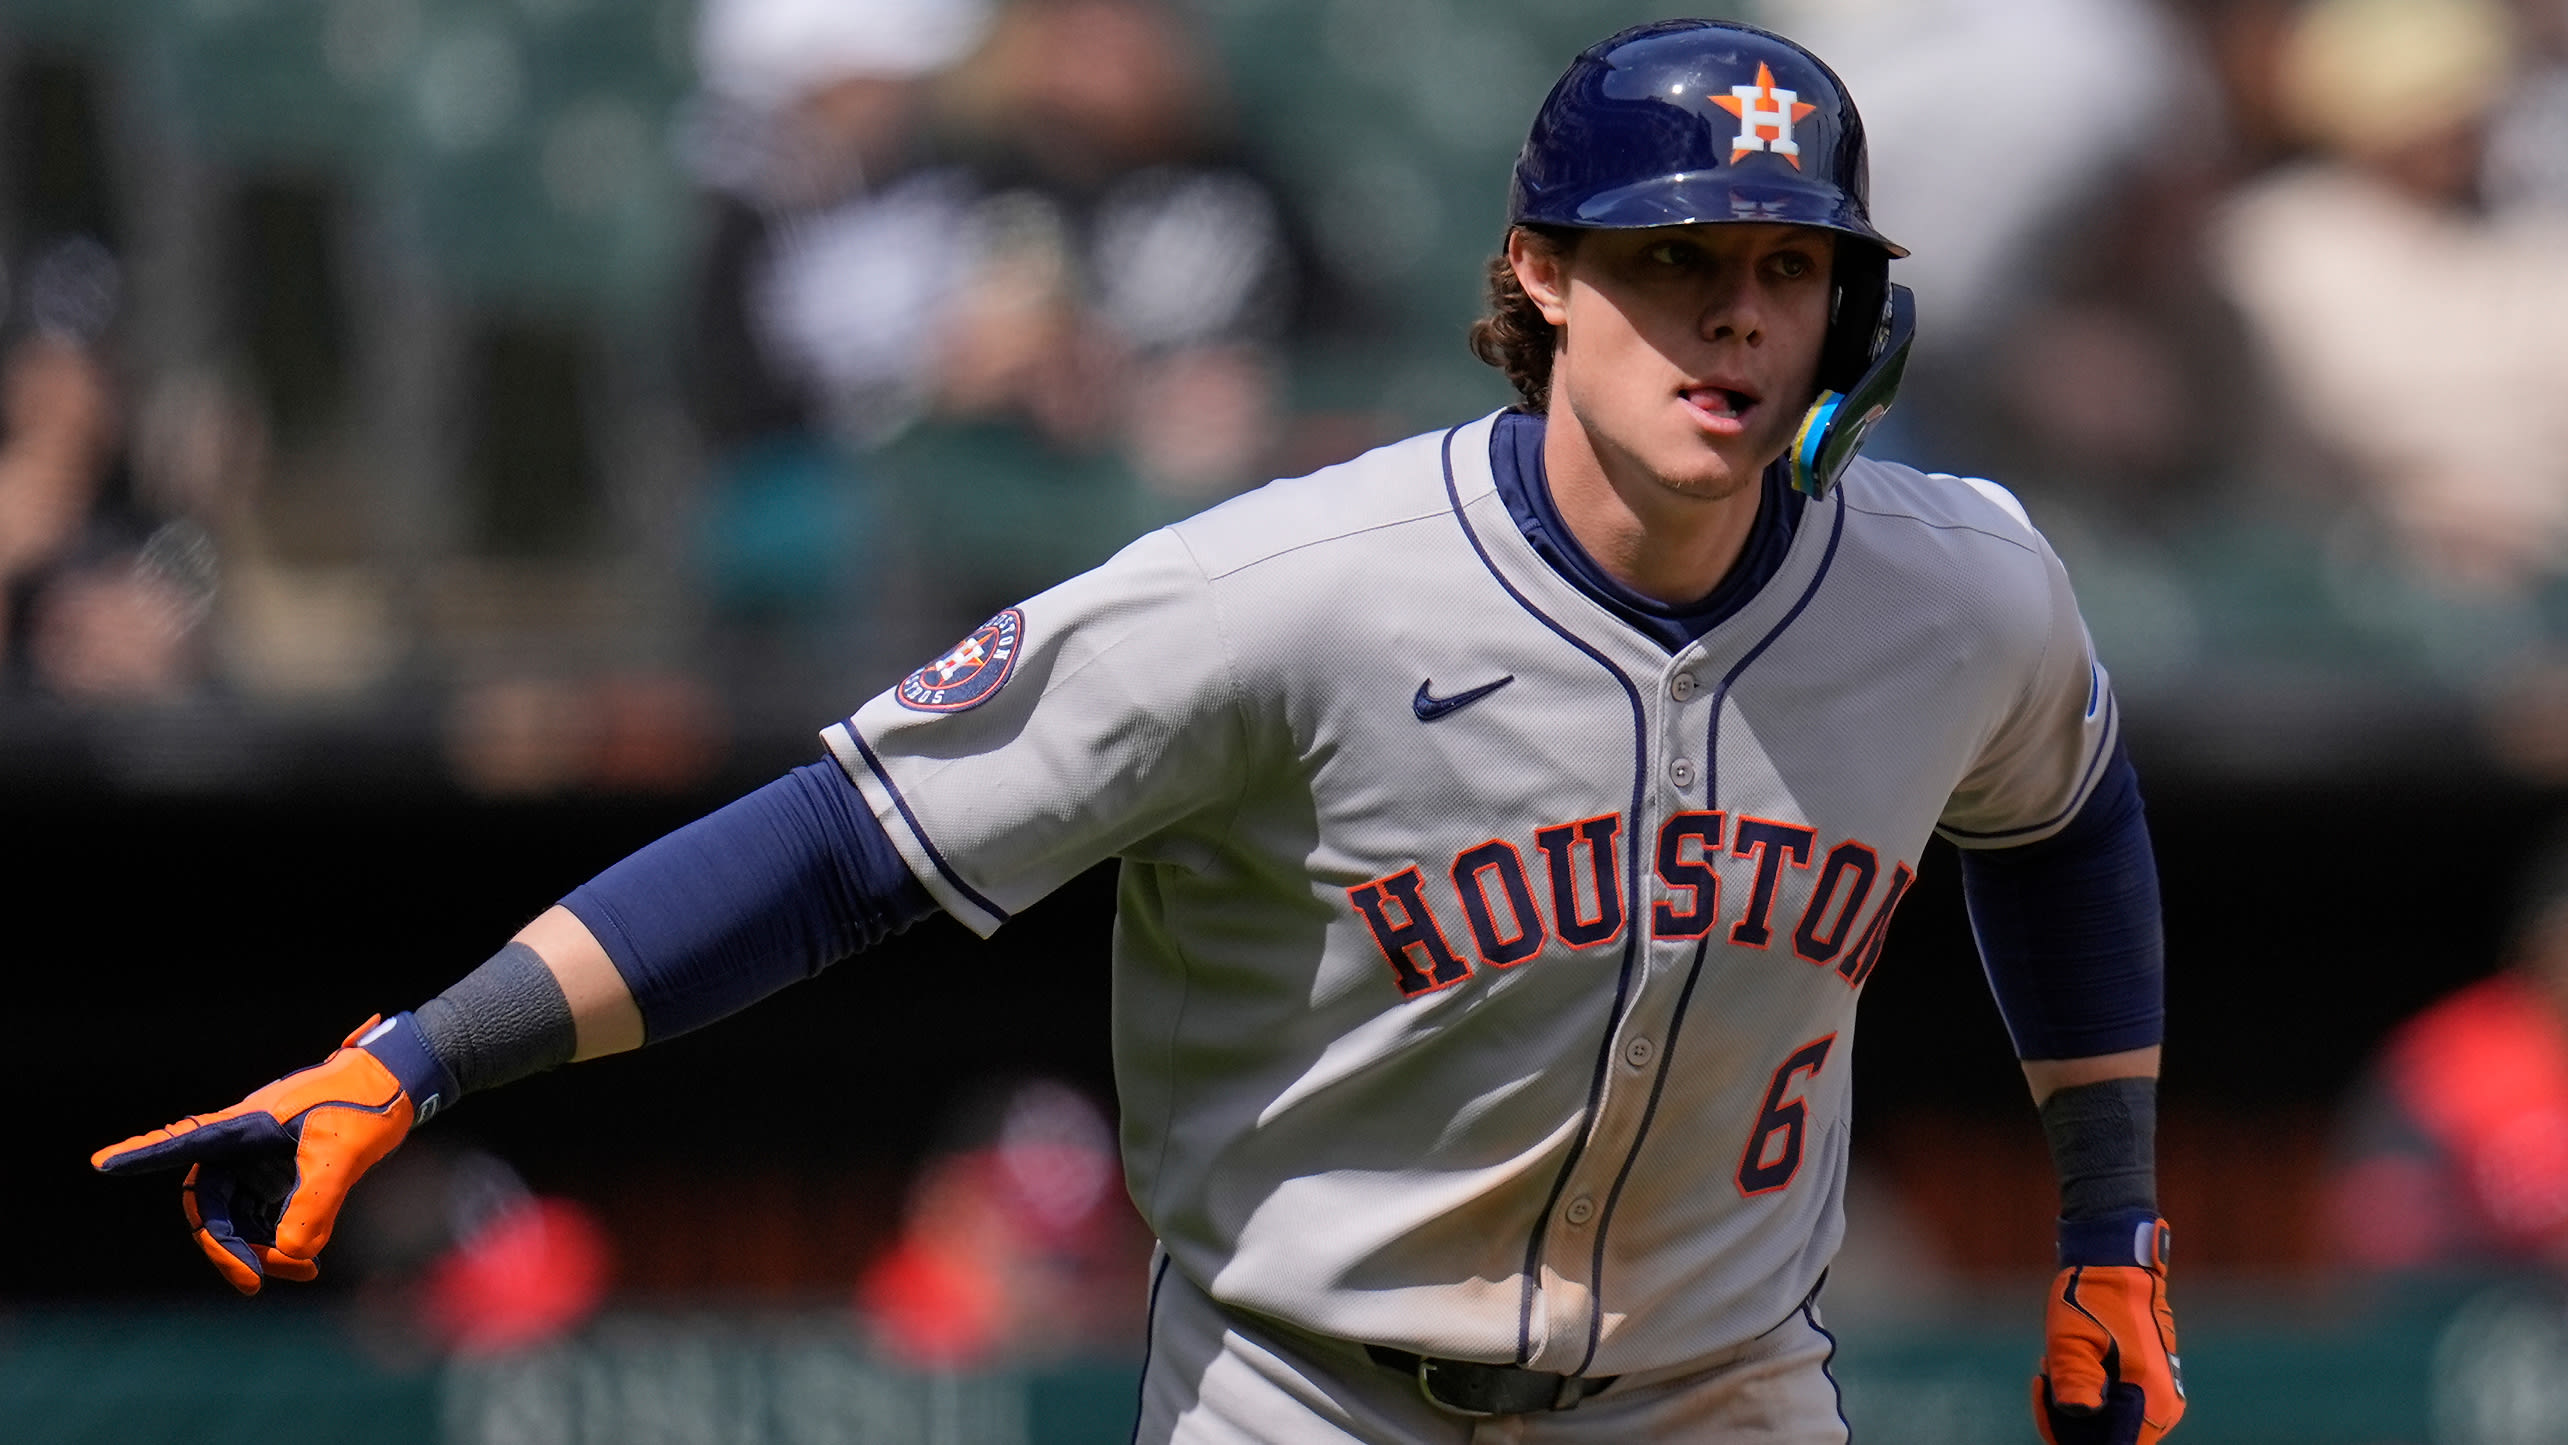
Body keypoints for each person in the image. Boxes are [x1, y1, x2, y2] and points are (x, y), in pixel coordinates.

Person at [92, 21, 2180, 1444]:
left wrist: (2110, 1228)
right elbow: (841, 845)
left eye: (1790, 267)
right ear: (1540, 277)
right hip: (1311, 1398)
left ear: (1850, 316)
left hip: (1719, 1394)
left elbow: (2067, 818)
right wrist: (425, 1054)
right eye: (1674, 257)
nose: (1735, 313)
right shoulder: (1289, 591)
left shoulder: (1959, 591)